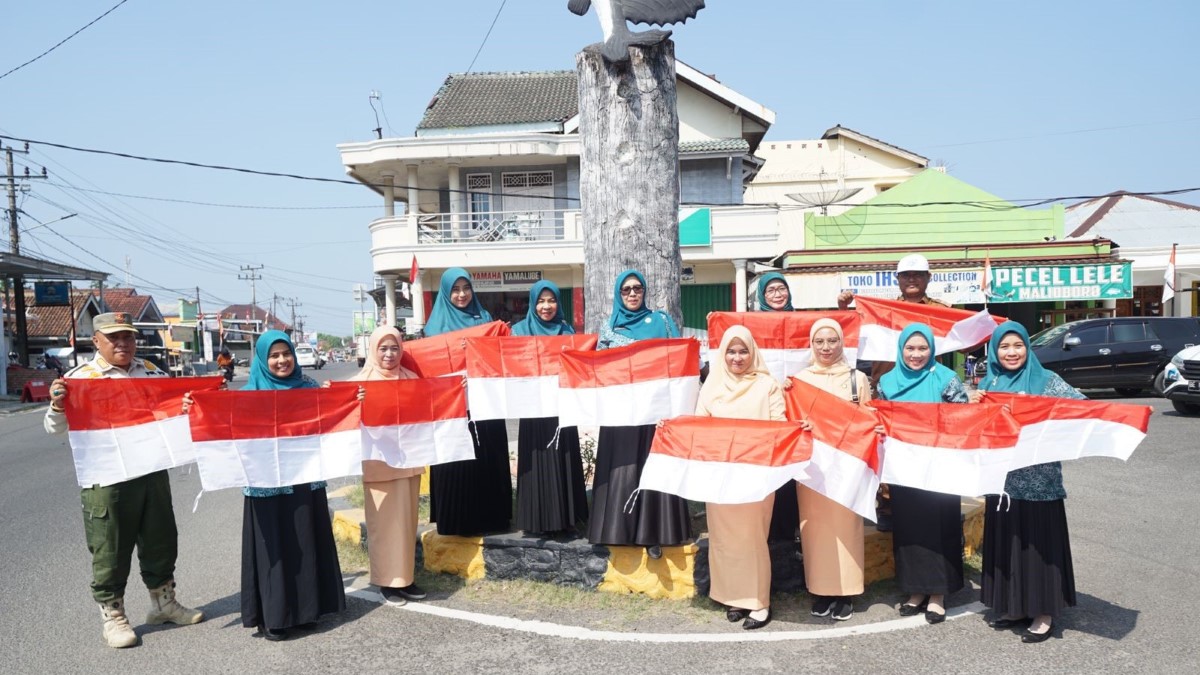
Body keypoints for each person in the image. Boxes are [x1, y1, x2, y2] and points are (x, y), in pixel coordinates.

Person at [44, 312, 204, 649]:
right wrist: (58, 406)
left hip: (151, 472)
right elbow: (54, 429)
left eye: (128, 337)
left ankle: (163, 603)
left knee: (161, 538)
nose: (122, 343)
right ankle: (113, 615)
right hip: (107, 479)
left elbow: (173, 414)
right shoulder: (80, 378)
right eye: (113, 337)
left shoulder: (153, 374)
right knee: (110, 547)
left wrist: (188, 405)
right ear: (96, 341)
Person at [969, 321, 1082, 643]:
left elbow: (1084, 408)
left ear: (1028, 348)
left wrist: (1048, 413)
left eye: (1018, 345)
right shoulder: (990, 383)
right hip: (1003, 483)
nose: (1011, 352)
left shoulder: (1047, 381)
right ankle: (1014, 606)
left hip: (1039, 484)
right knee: (1010, 545)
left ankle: (1044, 612)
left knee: (1037, 548)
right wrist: (975, 407)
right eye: (1004, 346)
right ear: (994, 351)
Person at [239, 330, 345, 641]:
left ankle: (306, 611)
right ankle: (275, 617)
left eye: (286, 354)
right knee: (274, 548)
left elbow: (332, 420)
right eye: (274, 355)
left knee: (305, 541)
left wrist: (338, 398)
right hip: (267, 486)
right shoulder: (247, 395)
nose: (282, 360)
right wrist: (199, 405)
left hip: (304, 479)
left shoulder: (309, 387)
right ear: (262, 359)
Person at [589, 269, 691, 558]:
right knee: (623, 469)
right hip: (621, 414)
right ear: (618, 295)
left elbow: (679, 359)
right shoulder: (609, 328)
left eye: (637, 289)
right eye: (626, 290)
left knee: (653, 466)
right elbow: (600, 368)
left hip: (655, 413)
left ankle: (654, 534)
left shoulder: (662, 322)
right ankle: (616, 532)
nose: (633, 294)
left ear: (644, 292)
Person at [877, 323, 969, 624]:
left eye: (922, 348)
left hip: (939, 468)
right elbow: (880, 418)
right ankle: (915, 590)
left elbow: (962, 420)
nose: (916, 354)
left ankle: (939, 594)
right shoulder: (888, 382)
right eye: (910, 348)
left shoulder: (946, 379)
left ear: (932, 350)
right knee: (909, 530)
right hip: (904, 469)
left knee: (939, 528)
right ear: (901, 349)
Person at [694, 325, 785, 630]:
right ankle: (732, 596)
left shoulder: (767, 385)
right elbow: (700, 428)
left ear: (752, 352)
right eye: (731, 351)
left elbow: (779, 425)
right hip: (720, 475)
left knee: (751, 538)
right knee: (723, 538)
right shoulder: (711, 386)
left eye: (743, 350)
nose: (737, 357)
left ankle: (758, 601)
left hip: (756, 475)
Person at [790, 318, 871, 622]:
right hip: (814, 469)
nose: (826, 348)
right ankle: (821, 591)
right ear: (811, 344)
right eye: (819, 341)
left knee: (846, 529)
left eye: (832, 341)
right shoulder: (800, 379)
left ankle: (846, 593)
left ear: (842, 343)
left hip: (847, 466)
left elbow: (867, 418)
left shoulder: (856, 378)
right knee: (815, 530)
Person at [424, 268, 511, 535]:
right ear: (446, 293)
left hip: (484, 404)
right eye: (455, 289)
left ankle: (492, 517)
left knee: (485, 454)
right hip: (451, 406)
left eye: (466, 288)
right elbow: (426, 368)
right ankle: (456, 519)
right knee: (455, 457)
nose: (462, 294)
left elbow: (498, 359)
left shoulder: (485, 321)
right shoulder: (433, 328)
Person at [347, 326, 427, 606]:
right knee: (384, 526)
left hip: (408, 463)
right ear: (373, 350)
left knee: (406, 524)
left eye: (394, 348)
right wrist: (341, 399)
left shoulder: (412, 378)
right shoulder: (360, 383)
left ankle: (406, 579)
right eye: (383, 348)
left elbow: (431, 404)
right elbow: (342, 412)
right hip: (379, 466)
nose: (389, 354)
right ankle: (386, 582)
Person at [511, 281, 589, 536]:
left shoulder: (566, 331)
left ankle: (566, 519)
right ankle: (537, 521)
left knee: (561, 458)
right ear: (533, 303)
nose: (546, 306)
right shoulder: (519, 331)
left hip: (560, 409)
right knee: (536, 460)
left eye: (551, 300)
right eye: (541, 301)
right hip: (533, 410)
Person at [754, 273, 802, 544]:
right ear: (762, 295)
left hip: (798, 406)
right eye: (770, 290)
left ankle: (794, 530)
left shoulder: (803, 323)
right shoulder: (752, 324)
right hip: (764, 408)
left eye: (781, 289)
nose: (776, 294)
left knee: (795, 469)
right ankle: (771, 532)